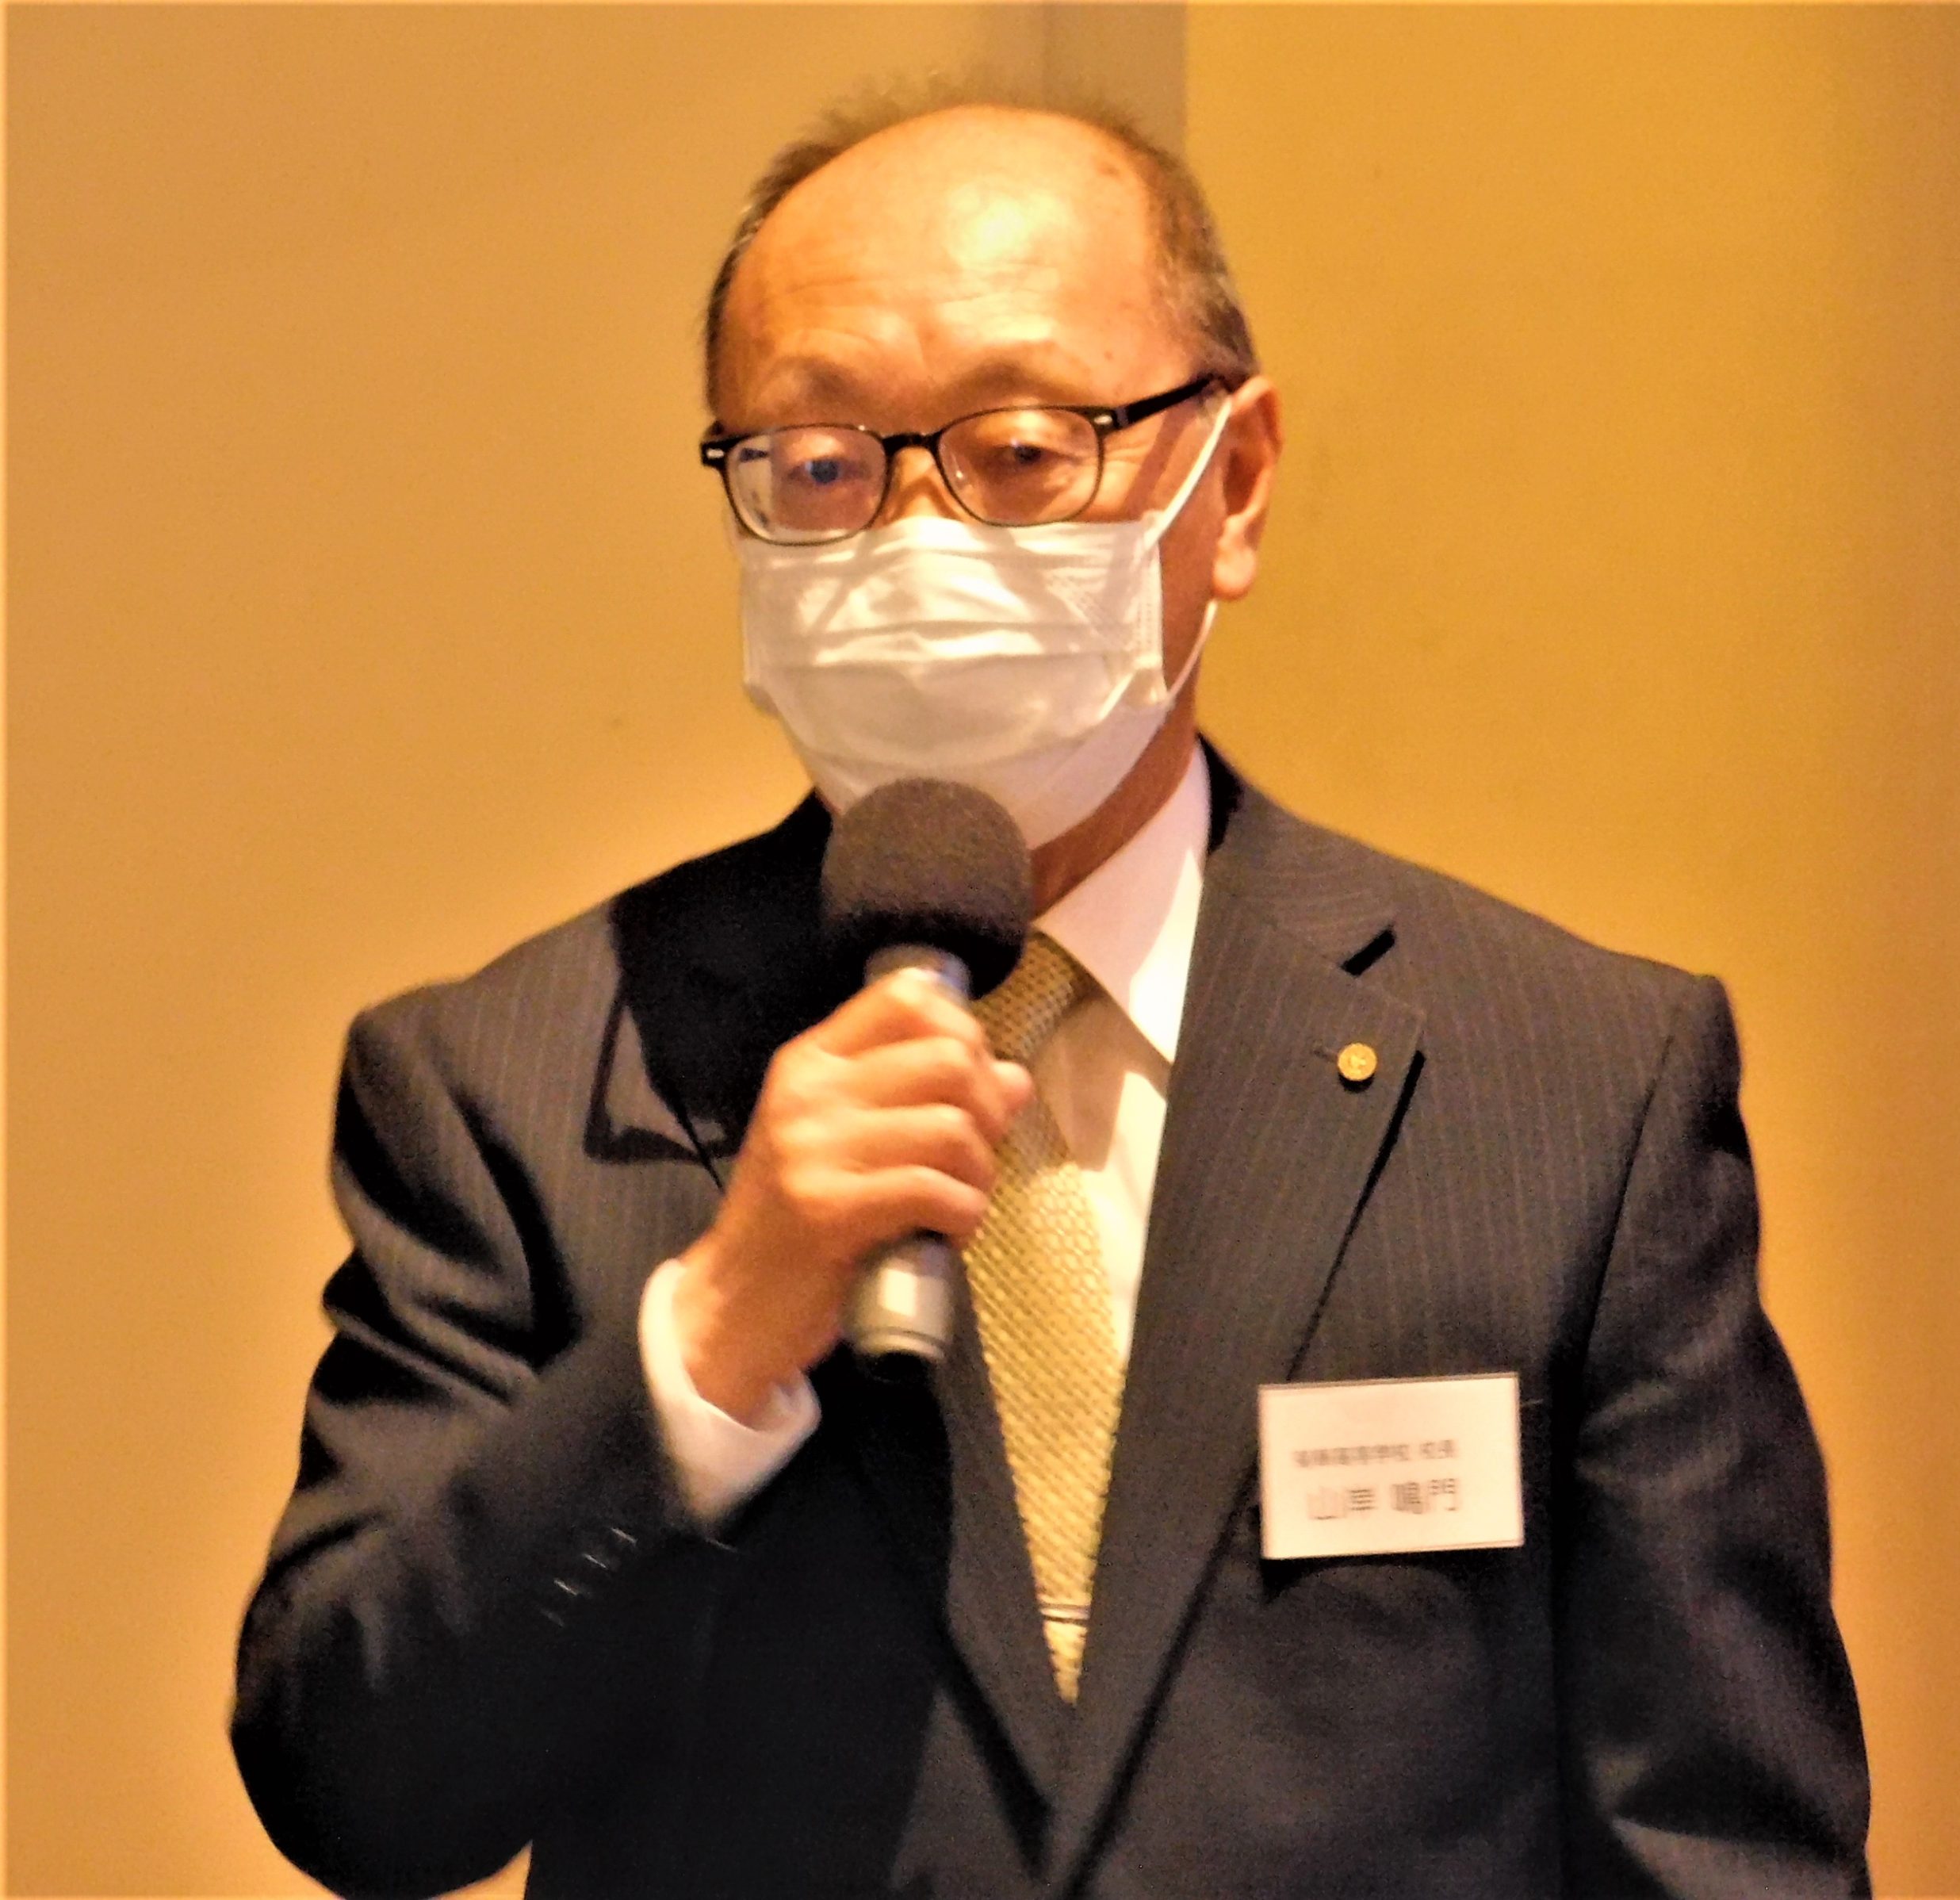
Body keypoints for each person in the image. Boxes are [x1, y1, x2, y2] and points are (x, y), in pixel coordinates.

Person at [232, 89, 1870, 1900]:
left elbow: (1722, 1840)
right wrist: (707, 1342)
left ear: (1232, 482)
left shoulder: (1571, 1083)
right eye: (821, 462)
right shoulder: (515, 1082)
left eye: (1023, 447)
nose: (917, 531)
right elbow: (355, 1789)